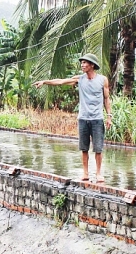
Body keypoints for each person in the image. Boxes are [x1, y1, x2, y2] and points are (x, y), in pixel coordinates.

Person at [34, 53, 112, 183]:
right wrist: (45, 82)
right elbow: (61, 81)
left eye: (85, 63)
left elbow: (106, 98)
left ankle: (98, 173)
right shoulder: (79, 79)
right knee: (84, 148)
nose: (82, 65)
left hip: (97, 119)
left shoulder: (103, 80)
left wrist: (109, 116)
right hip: (83, 118)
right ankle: (85, 173)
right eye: (81, 63)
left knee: (98, 148)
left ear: (92, 65)